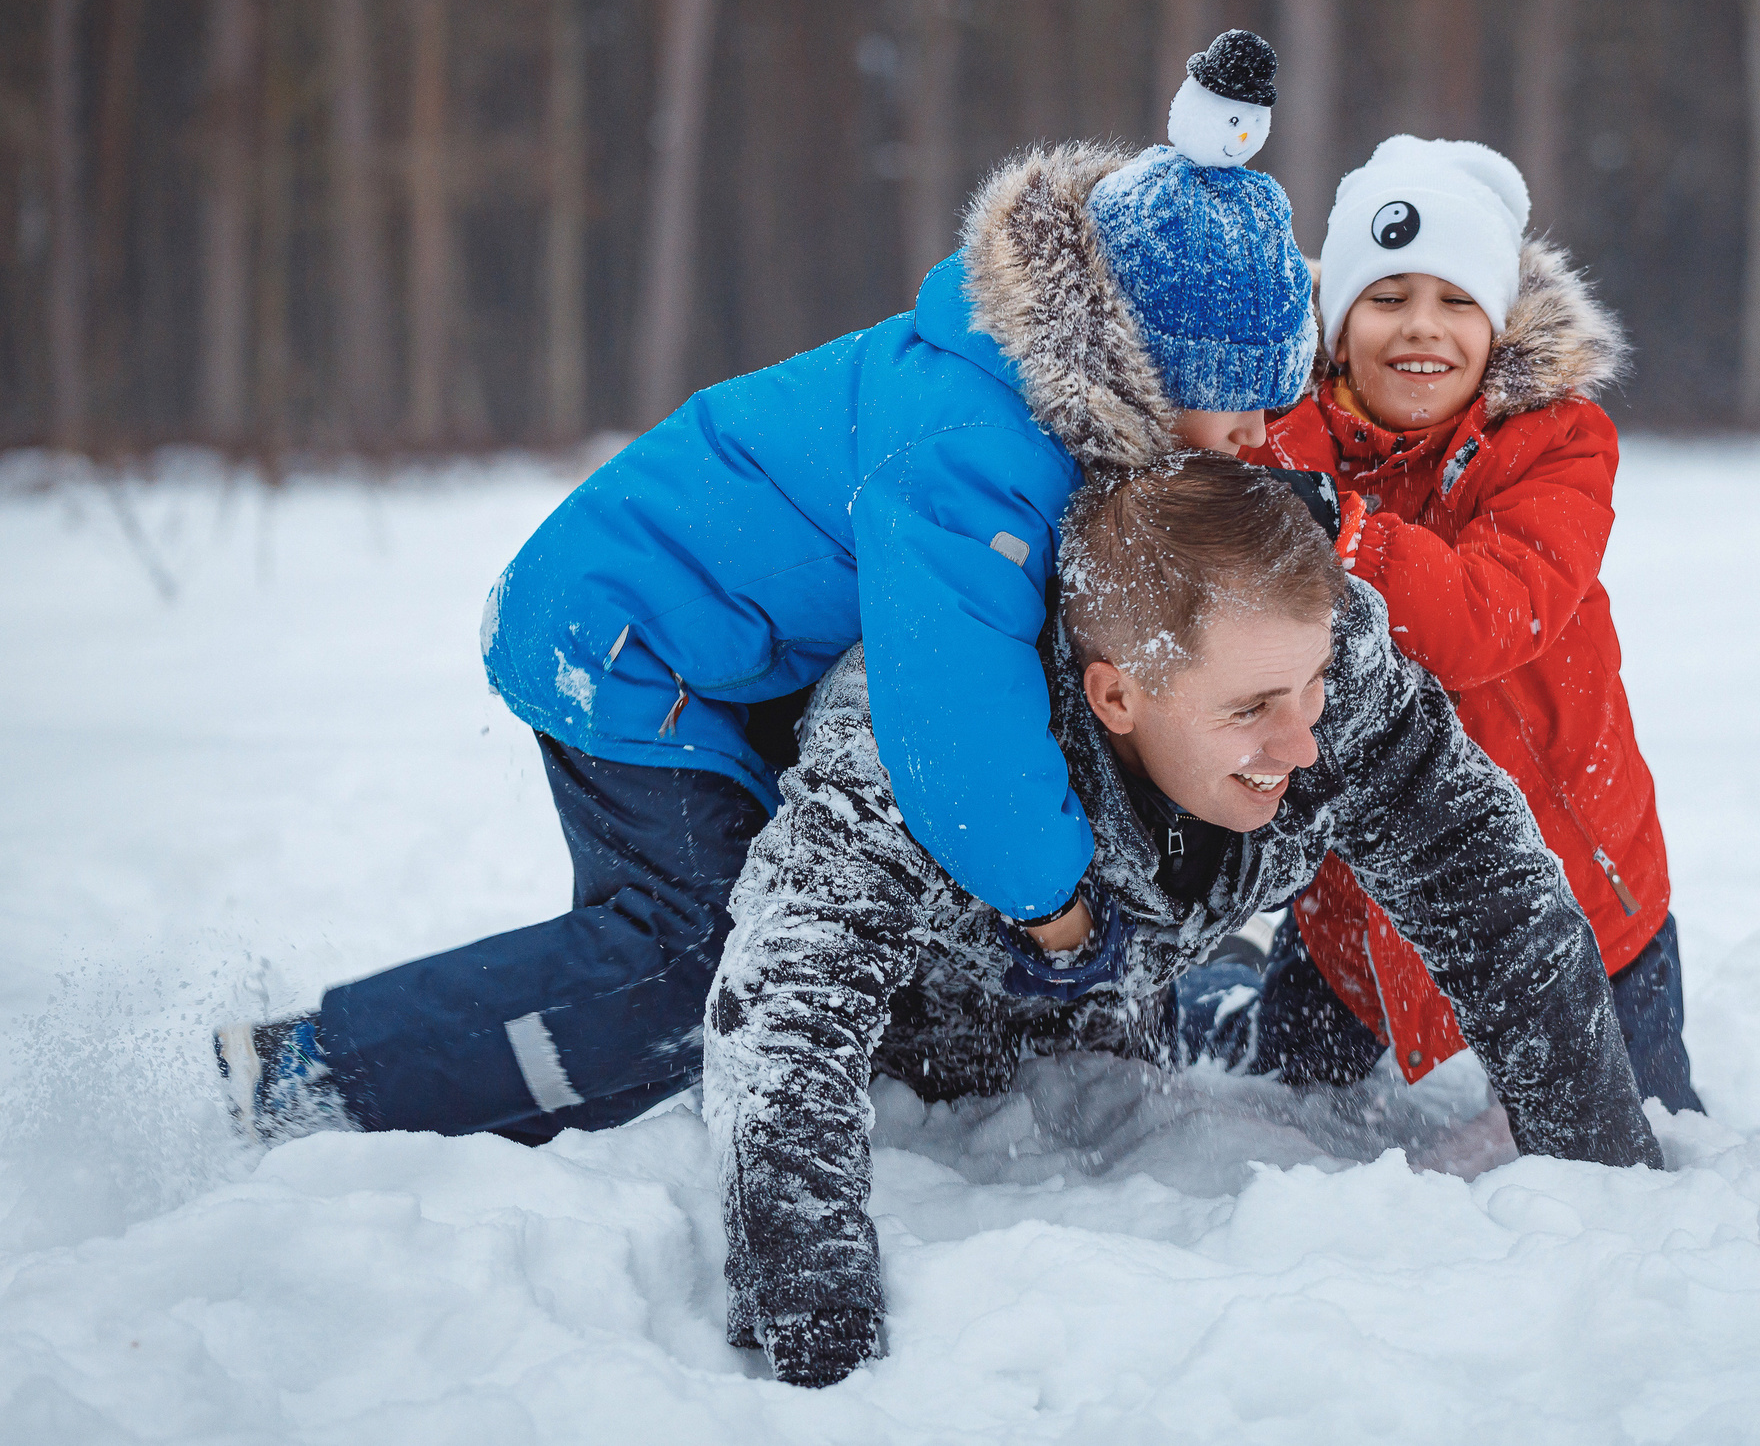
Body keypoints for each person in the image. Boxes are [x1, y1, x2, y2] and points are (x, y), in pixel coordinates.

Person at [215, 33, 1318, 1145]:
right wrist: (1062, 915)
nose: (1254, 433)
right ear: (1141, 362)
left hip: (713, 644)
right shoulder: (978, 456)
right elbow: (956, 725)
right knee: (683, 952)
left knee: (681, 949)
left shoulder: (1034, 405)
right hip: (627, 639)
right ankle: (313, 1081)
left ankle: (543, 1066)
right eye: (1231, 396)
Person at [707, 454, 1662, 1388]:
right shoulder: (919, 732)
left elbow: (1498, 897)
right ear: (1115, 694)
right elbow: (788, 995)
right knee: (974, 1085)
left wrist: (1609, 1185)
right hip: (927, 1003)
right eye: (1250, 709)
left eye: (1312, 687)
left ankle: (1210, 978)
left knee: (1126, 1063)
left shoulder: (1323, 668)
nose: (1302, 742)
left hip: (1135, 958)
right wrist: (816, 1318)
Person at [1194, 134, 1703, 1115]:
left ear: (1498, 324)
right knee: (1262, 1082)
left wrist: (1340, 534)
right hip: (1362, 896)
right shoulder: (1277, 441)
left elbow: (1487, 615)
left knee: (1647, 1147)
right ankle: (1214, 988)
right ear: (1337, 331)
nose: (1419, 327)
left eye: (1456, 300)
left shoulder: (1556, 443)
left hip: (1578, 902)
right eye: (1385, 298)